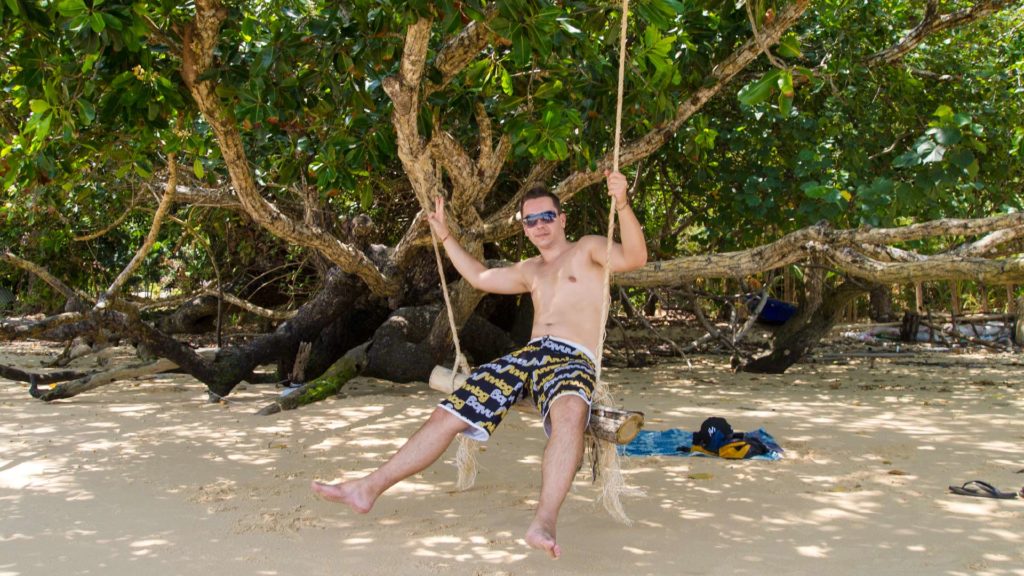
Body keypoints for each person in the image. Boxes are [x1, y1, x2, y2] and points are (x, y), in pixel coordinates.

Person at [311, 171, 647, 559]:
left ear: (562, 219)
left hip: (572, 357)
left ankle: (544, 520)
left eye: (546, 217)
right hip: (528, 357)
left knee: (570, 412)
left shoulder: (587, 249)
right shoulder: (529, 270)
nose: (539, 226)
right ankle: (366, 487)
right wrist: (446, 238)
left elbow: (636, 257)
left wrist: (621, 202)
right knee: (450, 413)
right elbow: (480, 275)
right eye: (530, 220)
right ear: (524, 228)